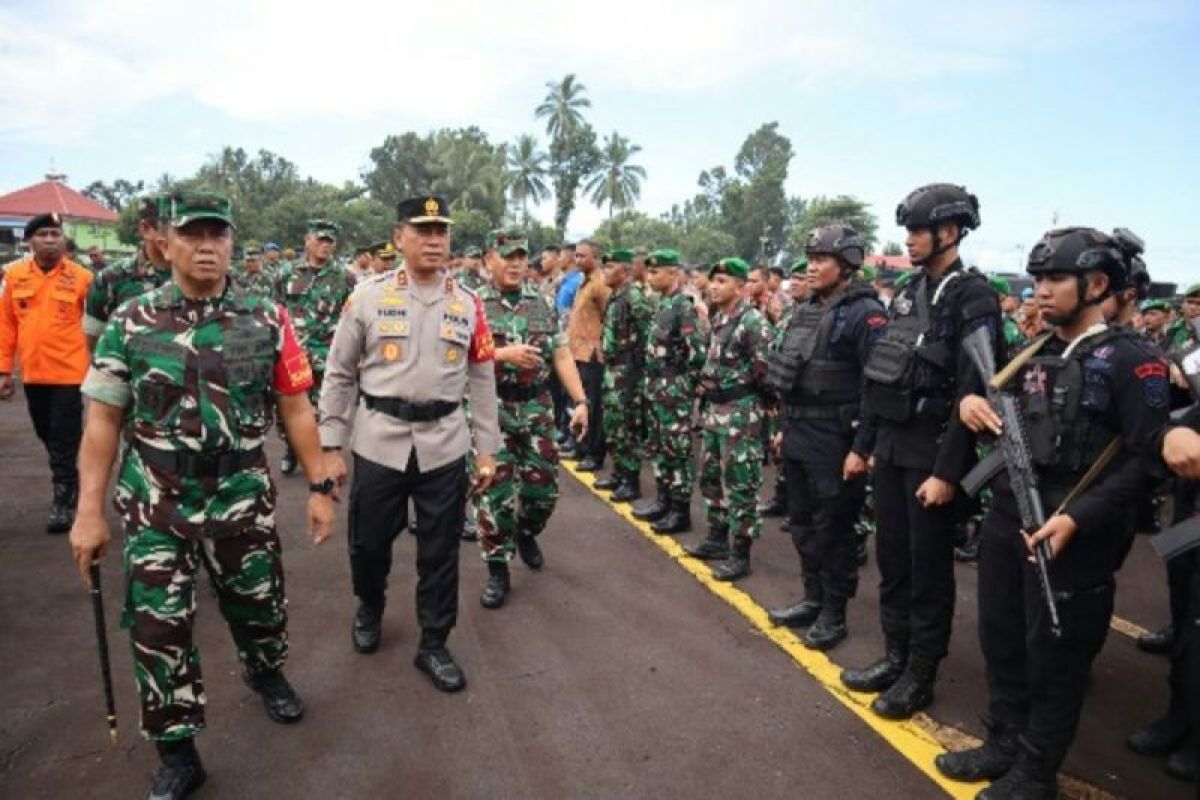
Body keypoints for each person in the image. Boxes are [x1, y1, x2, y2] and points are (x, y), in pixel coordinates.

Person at [68, 191, 335, 800]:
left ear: (233, 243)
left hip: (242, 492)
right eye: (193, 235)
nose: (208, 246)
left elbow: (295, 407)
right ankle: (177, 748)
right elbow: (102, 423)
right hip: (158, 499)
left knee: (259, 605)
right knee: (158, 627)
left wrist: (320, 484)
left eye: (219, 235)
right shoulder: (131, 322)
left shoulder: (266, 318)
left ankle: (266, 674)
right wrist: (89, 511)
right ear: (165, 241)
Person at [943, 226, 1167, 798]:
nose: (1040, 290)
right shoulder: (1037, 350)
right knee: (1002, 636)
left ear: (1096, 284)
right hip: (1009, 512)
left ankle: (1037, 771)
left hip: (1071, 527)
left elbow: (1147, 462)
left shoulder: (1132, 361)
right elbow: (1003, 408)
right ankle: (1003, 743)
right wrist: (972, 402)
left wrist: (1079, 517)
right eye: (1037, 279)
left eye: (1054, 279)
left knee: (1056, 657)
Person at [318, 195, 501, 693]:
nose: (435, 239)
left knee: (440, 551)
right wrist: (331, 444)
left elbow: (482, 378)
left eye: (442, 230)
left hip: (444, 443)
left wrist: (487, 448)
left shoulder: (468, 303)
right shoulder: (367, 298)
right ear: (399, 238)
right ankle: (369, 605)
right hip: (379, 439)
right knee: (369, 543)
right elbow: (337, 373)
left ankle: (434, 643)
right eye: (422, 230)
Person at [842, 183, 1001, 720]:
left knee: (928, 569)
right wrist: (863, 445)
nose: (909, 240)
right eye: (907, 230)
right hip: (892, 446)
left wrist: (948, 472)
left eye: (918, 231)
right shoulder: (908, 291)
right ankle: (896, 654)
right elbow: (881, 369)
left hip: (934, 454)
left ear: (950, 233)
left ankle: (920, 673)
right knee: (893, 560)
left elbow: (973, 390)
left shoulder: (974, 296)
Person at [765, 226, 887, 650]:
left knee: (834, 529)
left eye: (822, 260)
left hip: (837, 438)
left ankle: (834, 613)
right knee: (801, 524)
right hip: (800, 431)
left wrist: (861, 448)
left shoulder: (865, 313)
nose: (812, 267)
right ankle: (812, 598)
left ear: (847, 265)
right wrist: (783, 428)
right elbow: (791, 373)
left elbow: (877, 385)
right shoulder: (807, 309)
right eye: (810, 258)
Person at [475, 232, 588, 608]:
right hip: (492, 411)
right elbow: (451, 357)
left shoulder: (541, 303)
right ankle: (497, 568)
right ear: (489, 259)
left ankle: (526, 532)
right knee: (495, 496)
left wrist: (581, 400)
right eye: (507, 257)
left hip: (537, 410)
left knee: (544, 492)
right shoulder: (471, 305)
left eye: (521, 257)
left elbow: (562, 355)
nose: (515, 264)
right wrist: (502, 354)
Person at [0, 212, 94, 532]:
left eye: (56, 234)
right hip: (33, 374)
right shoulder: (14, 277)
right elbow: (6, 325)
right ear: (30, 240)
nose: (51, 240)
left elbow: (95, 328)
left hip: (70, 372)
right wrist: (3, 370)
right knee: (48, 435)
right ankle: (70, 481)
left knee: (63, 440)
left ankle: (63, 502)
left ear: (64, 240)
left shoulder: (82, 278)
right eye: (44, 235)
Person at [685, 257, 771, 581]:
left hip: (740, 412)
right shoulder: (722, 319)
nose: (714, 287)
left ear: (740, 286)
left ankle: (741, 553)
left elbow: (766, 373)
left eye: (722, 281)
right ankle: (717, 537)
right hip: (715, 411)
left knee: (741, 482)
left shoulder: (753, 323)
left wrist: (761, 413)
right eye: (714, 281)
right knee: (709, 477)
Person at [632, 249, 707, 534]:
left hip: (673, 389)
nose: (649, 277)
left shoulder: (683, 307)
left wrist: (684, 386)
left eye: (655, 272)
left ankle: (680, 510)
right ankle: (663, 500)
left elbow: (697, 353)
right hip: (655, 388)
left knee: (677, 450)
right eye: (648, 272)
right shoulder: (662, 303)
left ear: (673, 273)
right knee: (659, 448)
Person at [272, 219, 355, 474]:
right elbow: (274, 311)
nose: (325, 246)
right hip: (293, 355)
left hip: (327, 354)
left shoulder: (344, 277)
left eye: (330, 241)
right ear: (307, 240)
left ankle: (319, 454)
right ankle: (291, 447)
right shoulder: (285, 274)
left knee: (325, 408)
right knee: (287, 409)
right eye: (320, 240)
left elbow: (352, 316)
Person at [593, 248, 653, 502]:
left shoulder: (634, 297)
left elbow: (646, 334)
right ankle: (619, 473)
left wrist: (636, 371)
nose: (605, 272)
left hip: (628, 371)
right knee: (614, 426)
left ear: (626, 271)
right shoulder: (616, 296)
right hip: (613, 370)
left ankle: (631, 480)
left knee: (628, 428)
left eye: (610, 267)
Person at [84, 195, 173, 351]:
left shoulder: (203, 276)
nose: (186, 236)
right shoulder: (112, 278)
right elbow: (93, 342)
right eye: (173, 227)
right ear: (146, 229)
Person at [565, 239, 611, 472]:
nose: (578, 259)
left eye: (583, 255)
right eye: (576, 255)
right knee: (580, 403)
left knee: (592, 405)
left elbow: (607, 316)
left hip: (592, 353)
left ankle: (594, 452)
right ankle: (580, 447)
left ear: (595, 258)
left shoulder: (600, 284)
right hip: (577, 352)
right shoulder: (584, 282)